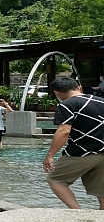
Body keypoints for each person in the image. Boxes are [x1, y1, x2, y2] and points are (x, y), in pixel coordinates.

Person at [42, 76, 104, 209]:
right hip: (103, 153)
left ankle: (77, 213)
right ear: (79, 88)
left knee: (55, 179)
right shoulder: (102, 102)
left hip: (82, 152)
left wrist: (50, 155)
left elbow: (63, 131)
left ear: (57, 93)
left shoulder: (67, 105)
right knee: (102, 191)